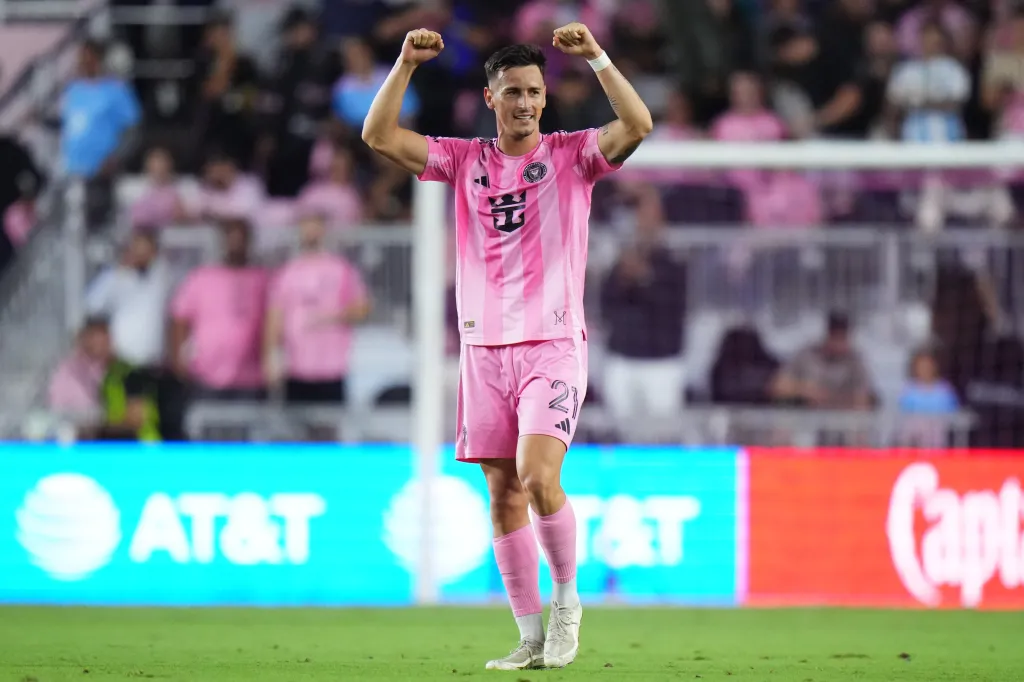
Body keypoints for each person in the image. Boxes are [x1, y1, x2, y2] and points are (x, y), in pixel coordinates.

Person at [362, 24, 652, 670]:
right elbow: (378, 136)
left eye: (534, 92)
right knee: (502, 494)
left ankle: (569, 602)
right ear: (490, 100)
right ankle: (529, 635)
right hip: (483, 350)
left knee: (538, 475)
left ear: (545, 99)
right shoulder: (464, 161)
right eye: (512, 92)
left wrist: (599, 58)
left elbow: (637, 123)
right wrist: (405, 64)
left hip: (550, 343)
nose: (524, 102)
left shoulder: (574, 154)